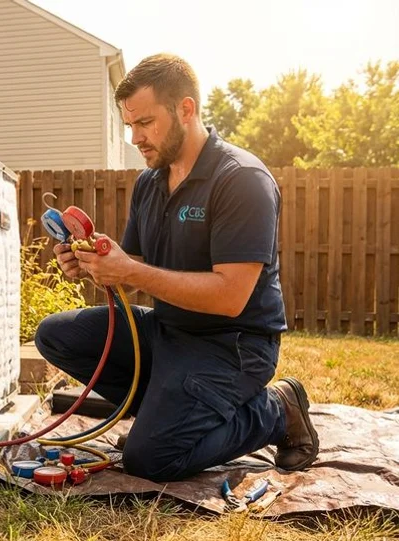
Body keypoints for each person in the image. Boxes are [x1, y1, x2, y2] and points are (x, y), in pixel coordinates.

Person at [35, 54, 319, 482]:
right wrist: (96, 264)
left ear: (186, 109)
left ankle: (278, 410)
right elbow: (136, 271)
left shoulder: (241, 180)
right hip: (169, 331)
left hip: (232, 344)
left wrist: (130, 272)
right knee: (56, 335)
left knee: (151, 459)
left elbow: (229, 296)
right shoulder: (150, 183)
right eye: (130, 125)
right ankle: (166, 413)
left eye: (145, 123)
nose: (135, 137)